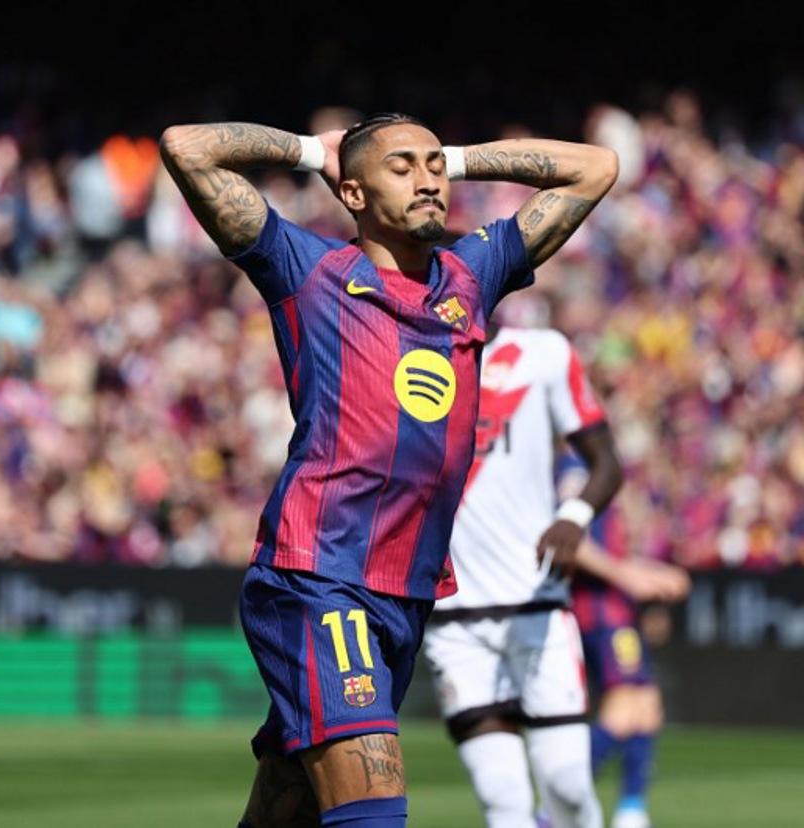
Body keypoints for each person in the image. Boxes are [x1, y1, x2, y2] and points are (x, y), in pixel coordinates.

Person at [159, 113, 618, 827]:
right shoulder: (309, 271)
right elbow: (188, 148)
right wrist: (316, 151)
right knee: (372, 805)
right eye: (401, 167)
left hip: (405, 594)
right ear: (353, 195)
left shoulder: (472, 273)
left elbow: (594, 168)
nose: (427, 177)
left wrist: (453, 161)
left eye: (433, 165)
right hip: (322, 574)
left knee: (289, 803)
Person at [423, 322, 620, 828]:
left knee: (568, 785)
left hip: (538, 604)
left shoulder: (544, 352)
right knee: (504, 801)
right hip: (453, 620)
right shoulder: (404, 347)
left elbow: (607, 463)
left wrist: (573, 517)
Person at [561, 459, 690, 828]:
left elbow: (611, 553)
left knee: (647, 707)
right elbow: (572, 541)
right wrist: (628, 577)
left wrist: (650, 575)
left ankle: (632, 810)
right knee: (623, 711)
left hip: (617, 609)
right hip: (599, 612)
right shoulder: (576, 469)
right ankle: (556, 805)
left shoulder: (597, 467)